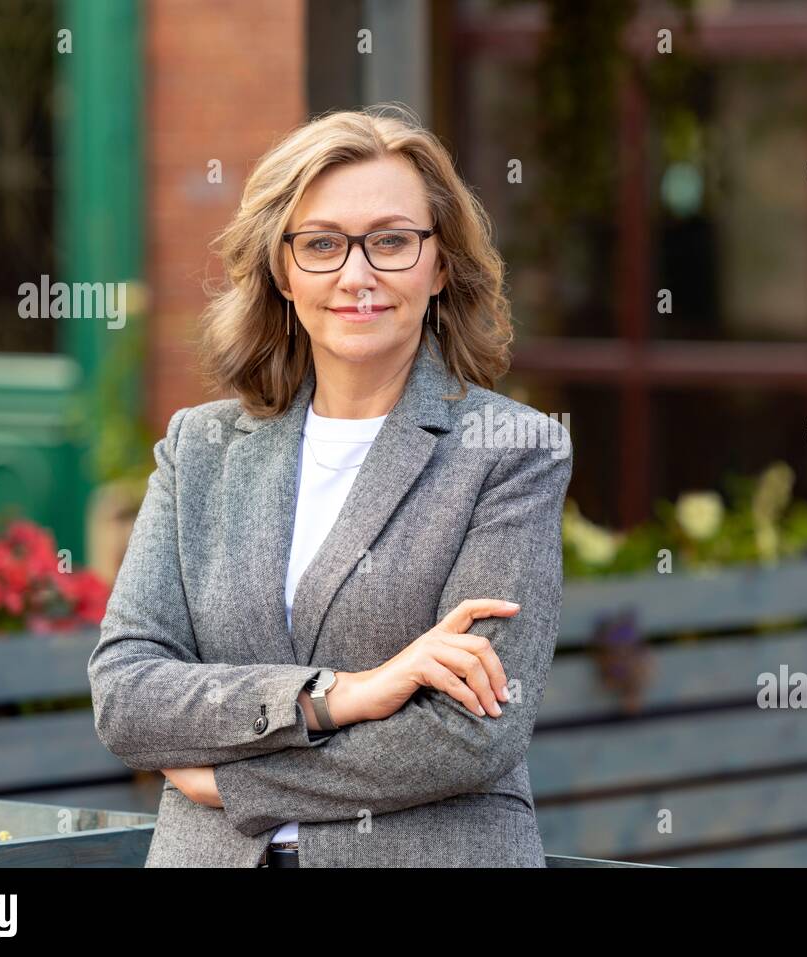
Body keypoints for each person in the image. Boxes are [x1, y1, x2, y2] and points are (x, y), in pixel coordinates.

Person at [87, 104, 573, 867]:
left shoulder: (510, 448)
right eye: (321, 245)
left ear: (439, 263)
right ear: (283, 270)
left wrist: (230, 780)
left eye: (390, 241)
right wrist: (340, 694)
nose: (356, 275)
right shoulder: (200, 448)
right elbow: (126, 695)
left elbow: (473, 731)